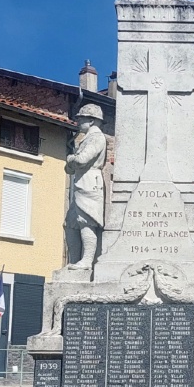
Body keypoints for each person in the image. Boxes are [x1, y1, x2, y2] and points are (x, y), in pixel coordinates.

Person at [65, 103, 108, 269]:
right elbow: (70, 168)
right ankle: (74, 261)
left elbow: (82, 159)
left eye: (81, 119)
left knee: (86, 221)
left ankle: (87, 261)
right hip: (81, 181)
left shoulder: (96, 137)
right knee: (70, 224)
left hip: (90, 182)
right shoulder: (87, 138)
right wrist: (73, 161)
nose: (78, 122)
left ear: (91, 121)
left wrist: (71, 159)